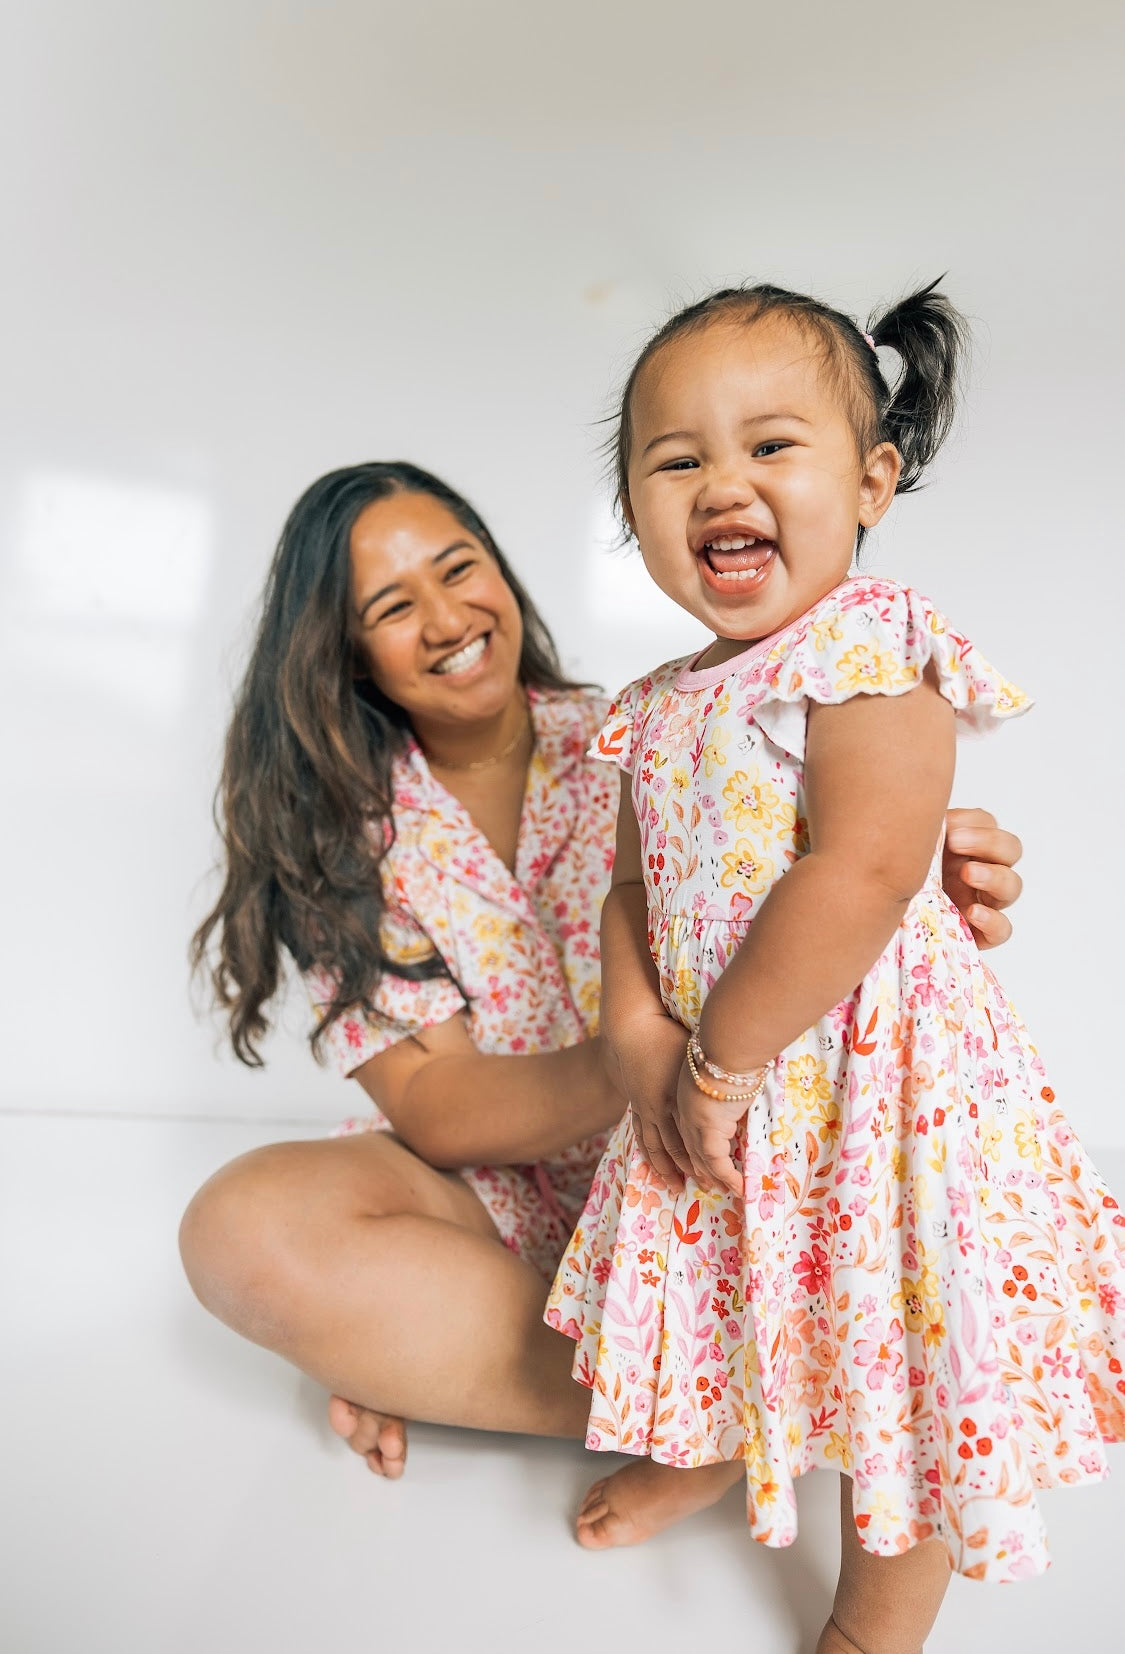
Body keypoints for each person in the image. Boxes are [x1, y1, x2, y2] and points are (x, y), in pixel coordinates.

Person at [179, 456, 1026, 1514]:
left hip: (713, 1163)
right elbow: (438, 1109)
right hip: (507, 1199)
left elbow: (829, 880)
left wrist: (913, 875)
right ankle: (721, 1408)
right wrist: (632, 1057)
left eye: (459, 568)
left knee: (915, 1187)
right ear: (343, 653)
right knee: (241, 1228)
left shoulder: (651, 731)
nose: (447, 618)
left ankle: (715, 1402)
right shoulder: (334, 843)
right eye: (393, 606)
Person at [544, 281, 1125, 1648]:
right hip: (716, 1084)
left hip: (874, 1098)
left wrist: (721, 1053)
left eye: (769, 446)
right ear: (633, 517)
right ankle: (710, 1444)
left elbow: (859, 870)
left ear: (870, 481)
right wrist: (641, 1031)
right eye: (675, 458)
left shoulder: (870, 653)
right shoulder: (658, 706)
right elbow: (631, 888)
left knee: (891, 1342)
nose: (720, 482)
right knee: (733, 1282)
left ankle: (876, 1616)